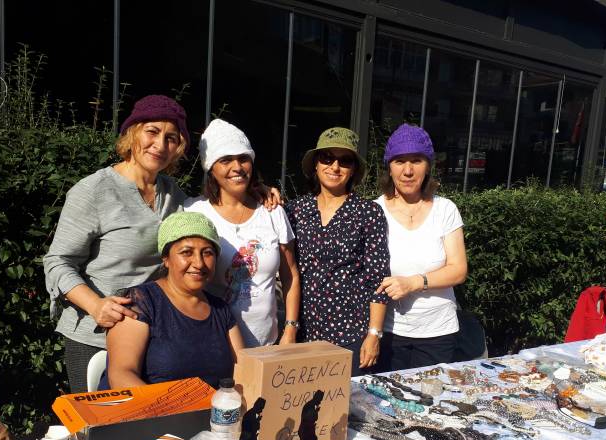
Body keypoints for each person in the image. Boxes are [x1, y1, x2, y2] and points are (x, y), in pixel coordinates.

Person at [43, 95, 279, 392]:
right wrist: (95, 304)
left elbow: (211, 212)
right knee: (105, 417)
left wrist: (254, 192)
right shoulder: (95, 191)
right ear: (132, 134)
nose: (160, 144)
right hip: (97, 331)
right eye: (152, 132)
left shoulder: (172, 194)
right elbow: (57, 261)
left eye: (171, 138)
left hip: (159, 332)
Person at [185, 119, 300, 347]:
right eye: (226, 160)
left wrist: (290, 330)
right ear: (211, 167)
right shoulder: (194, 213)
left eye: (243, 158)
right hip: (213, 343)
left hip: (267, 344)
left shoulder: (272, 212)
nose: (237, 167)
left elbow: (291, 276)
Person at [285, 127, 390, 375]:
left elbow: (378, 277)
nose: (335, 166)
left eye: (345, 161)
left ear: (353, 169)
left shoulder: (368, 213)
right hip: (304, 333)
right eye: (327, 158)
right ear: (315, 164)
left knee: (347, 399)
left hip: (350, 335)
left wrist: (374, 334)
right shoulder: (295, 211)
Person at [103, 212, 244, 390]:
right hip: (149, 406)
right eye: (186, 252)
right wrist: (166, 406)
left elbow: (243, 370)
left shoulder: (220, 309)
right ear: (166, 259)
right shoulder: (141, 302)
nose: (199, 263)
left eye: (207, 253)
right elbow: (121, 375)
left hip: (213, 407)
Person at [374, 124, 468, 370]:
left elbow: (458, 270)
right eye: (399, 161)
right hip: (388, 331)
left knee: (430, 394)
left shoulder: (445, 209)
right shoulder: (374, 211)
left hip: (438, 333)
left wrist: (413, 283)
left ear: (428, 166)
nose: (408, 171)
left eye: (416, 160)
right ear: (389, 167)